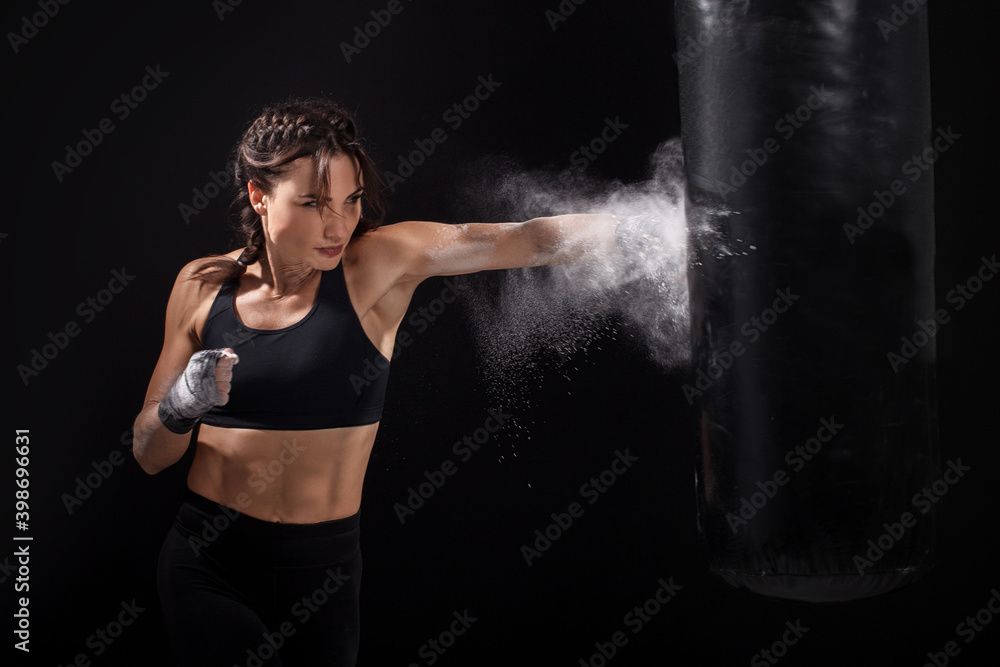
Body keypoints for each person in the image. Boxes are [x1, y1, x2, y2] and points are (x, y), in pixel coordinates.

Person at [132, 97, 638, 666]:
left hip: (322, 573)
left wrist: (653, 229)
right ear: (258, 195)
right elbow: (149, 454)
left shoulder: (380, 263)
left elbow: (526, 238)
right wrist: (181, 405)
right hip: (208, 561)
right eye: (314, 204)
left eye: (350, 201)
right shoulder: (202, 286)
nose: (338, 225)